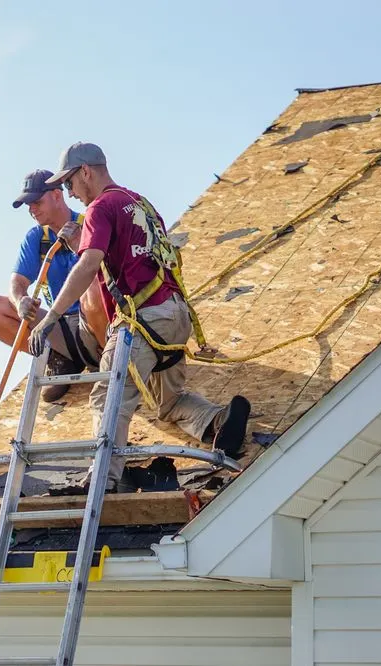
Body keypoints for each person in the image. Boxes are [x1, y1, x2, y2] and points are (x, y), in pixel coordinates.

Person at [28, 142, 251, 491]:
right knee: (169, 401)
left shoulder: (101, 207)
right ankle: (218, 420)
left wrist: (51, 316)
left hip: (141, 320)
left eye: (70, 183)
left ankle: (103, 479)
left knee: (107, 393)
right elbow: (127, 260)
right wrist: (79, 243)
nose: (69, 193)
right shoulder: (139, 203)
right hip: (173, 316)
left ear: (85, 171)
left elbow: (89, 266)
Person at [0, 169, 106, 402]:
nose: (32, 210)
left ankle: (107, 359)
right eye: (28, 205)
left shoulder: (90, 223)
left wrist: (77, 243)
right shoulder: (37, 238)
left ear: (57, 195)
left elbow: (109, 277)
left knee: (93, 293)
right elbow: (17, 282)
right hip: (58, 327)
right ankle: (60, 358)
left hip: (97, 323)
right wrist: (20, 301)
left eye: (37, 202)